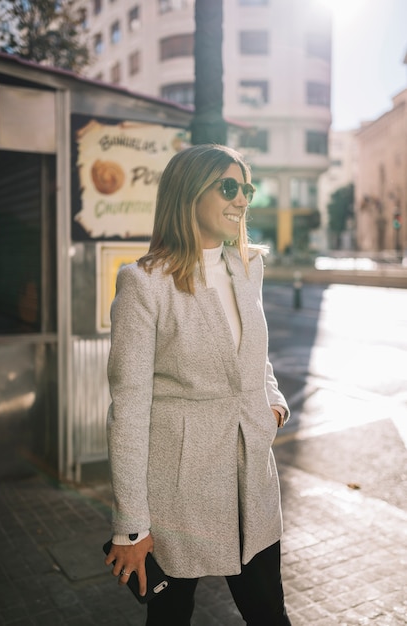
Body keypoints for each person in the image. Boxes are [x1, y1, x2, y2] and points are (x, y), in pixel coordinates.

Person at [105, 143, 292, 626]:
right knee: (169, 619)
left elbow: (256, 356)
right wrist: (131, 525)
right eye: (228, 187)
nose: (241, 199)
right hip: (177, 494)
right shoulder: (144, 284)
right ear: (189, 193)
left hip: (252, 479)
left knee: (269, 613)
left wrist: (273, 407)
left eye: (246, 188)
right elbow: (128, 409)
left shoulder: (249, 267)